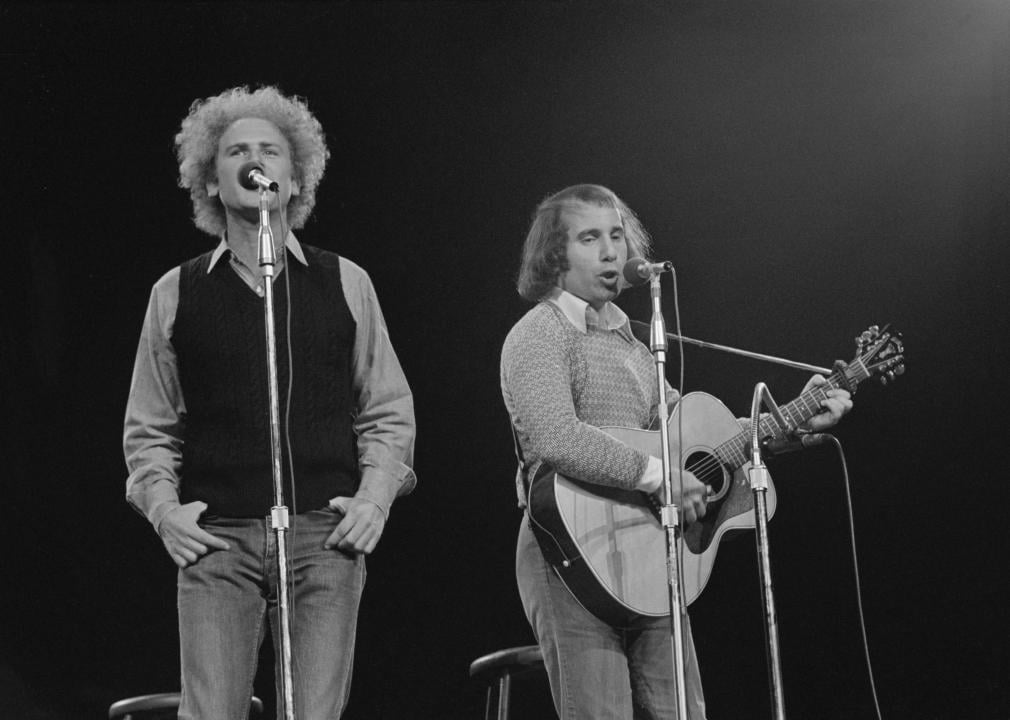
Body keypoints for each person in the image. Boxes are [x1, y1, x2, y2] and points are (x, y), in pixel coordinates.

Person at [499, 184, 852, 719]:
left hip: (647, 549)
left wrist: (789, 423)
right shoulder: (539, 334)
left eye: (617, 235)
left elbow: (693, 446)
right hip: (568, 549)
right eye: (590, 238)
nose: (611, 251)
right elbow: (558, 437)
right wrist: (658, 474)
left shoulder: (637, 348)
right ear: (555, 256)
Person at [123, 86, 416, 719]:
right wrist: (163, 510)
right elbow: (150, 428)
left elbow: (386, 409)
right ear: (210, 177)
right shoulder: (175, 291)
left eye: (270, 150)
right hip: (218, 539)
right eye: (236, 151)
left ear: (295, 174)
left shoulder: (346, 281)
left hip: (322, 531)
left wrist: (375, 497)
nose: (254, 160)